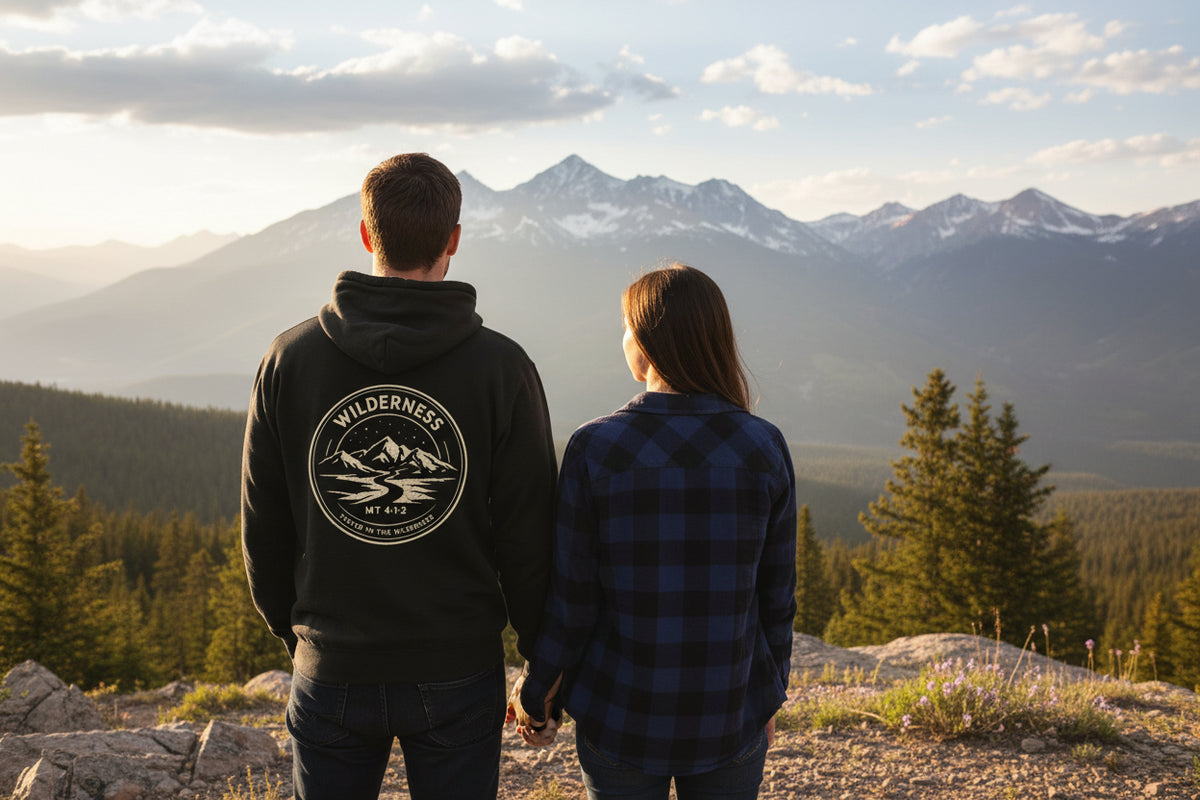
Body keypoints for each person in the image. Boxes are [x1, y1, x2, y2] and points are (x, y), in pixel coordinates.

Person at [241, 153, 557, 800]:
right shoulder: (501, 369)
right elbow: (529, 534)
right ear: (454, 242)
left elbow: (262, 527)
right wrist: (539, 663)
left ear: (365, 235)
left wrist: (301, 636)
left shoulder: (289, 360)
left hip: (331, 662)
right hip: (457, 668)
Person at [512, 264, 797, 800]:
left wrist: (537, 697)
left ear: (644, 341)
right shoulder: (764, 447)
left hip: (621, 719)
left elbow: (573, 603)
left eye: (626, 327)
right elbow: (777, 597)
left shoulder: (595, 449)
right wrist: (768, 696)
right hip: (729, 716)